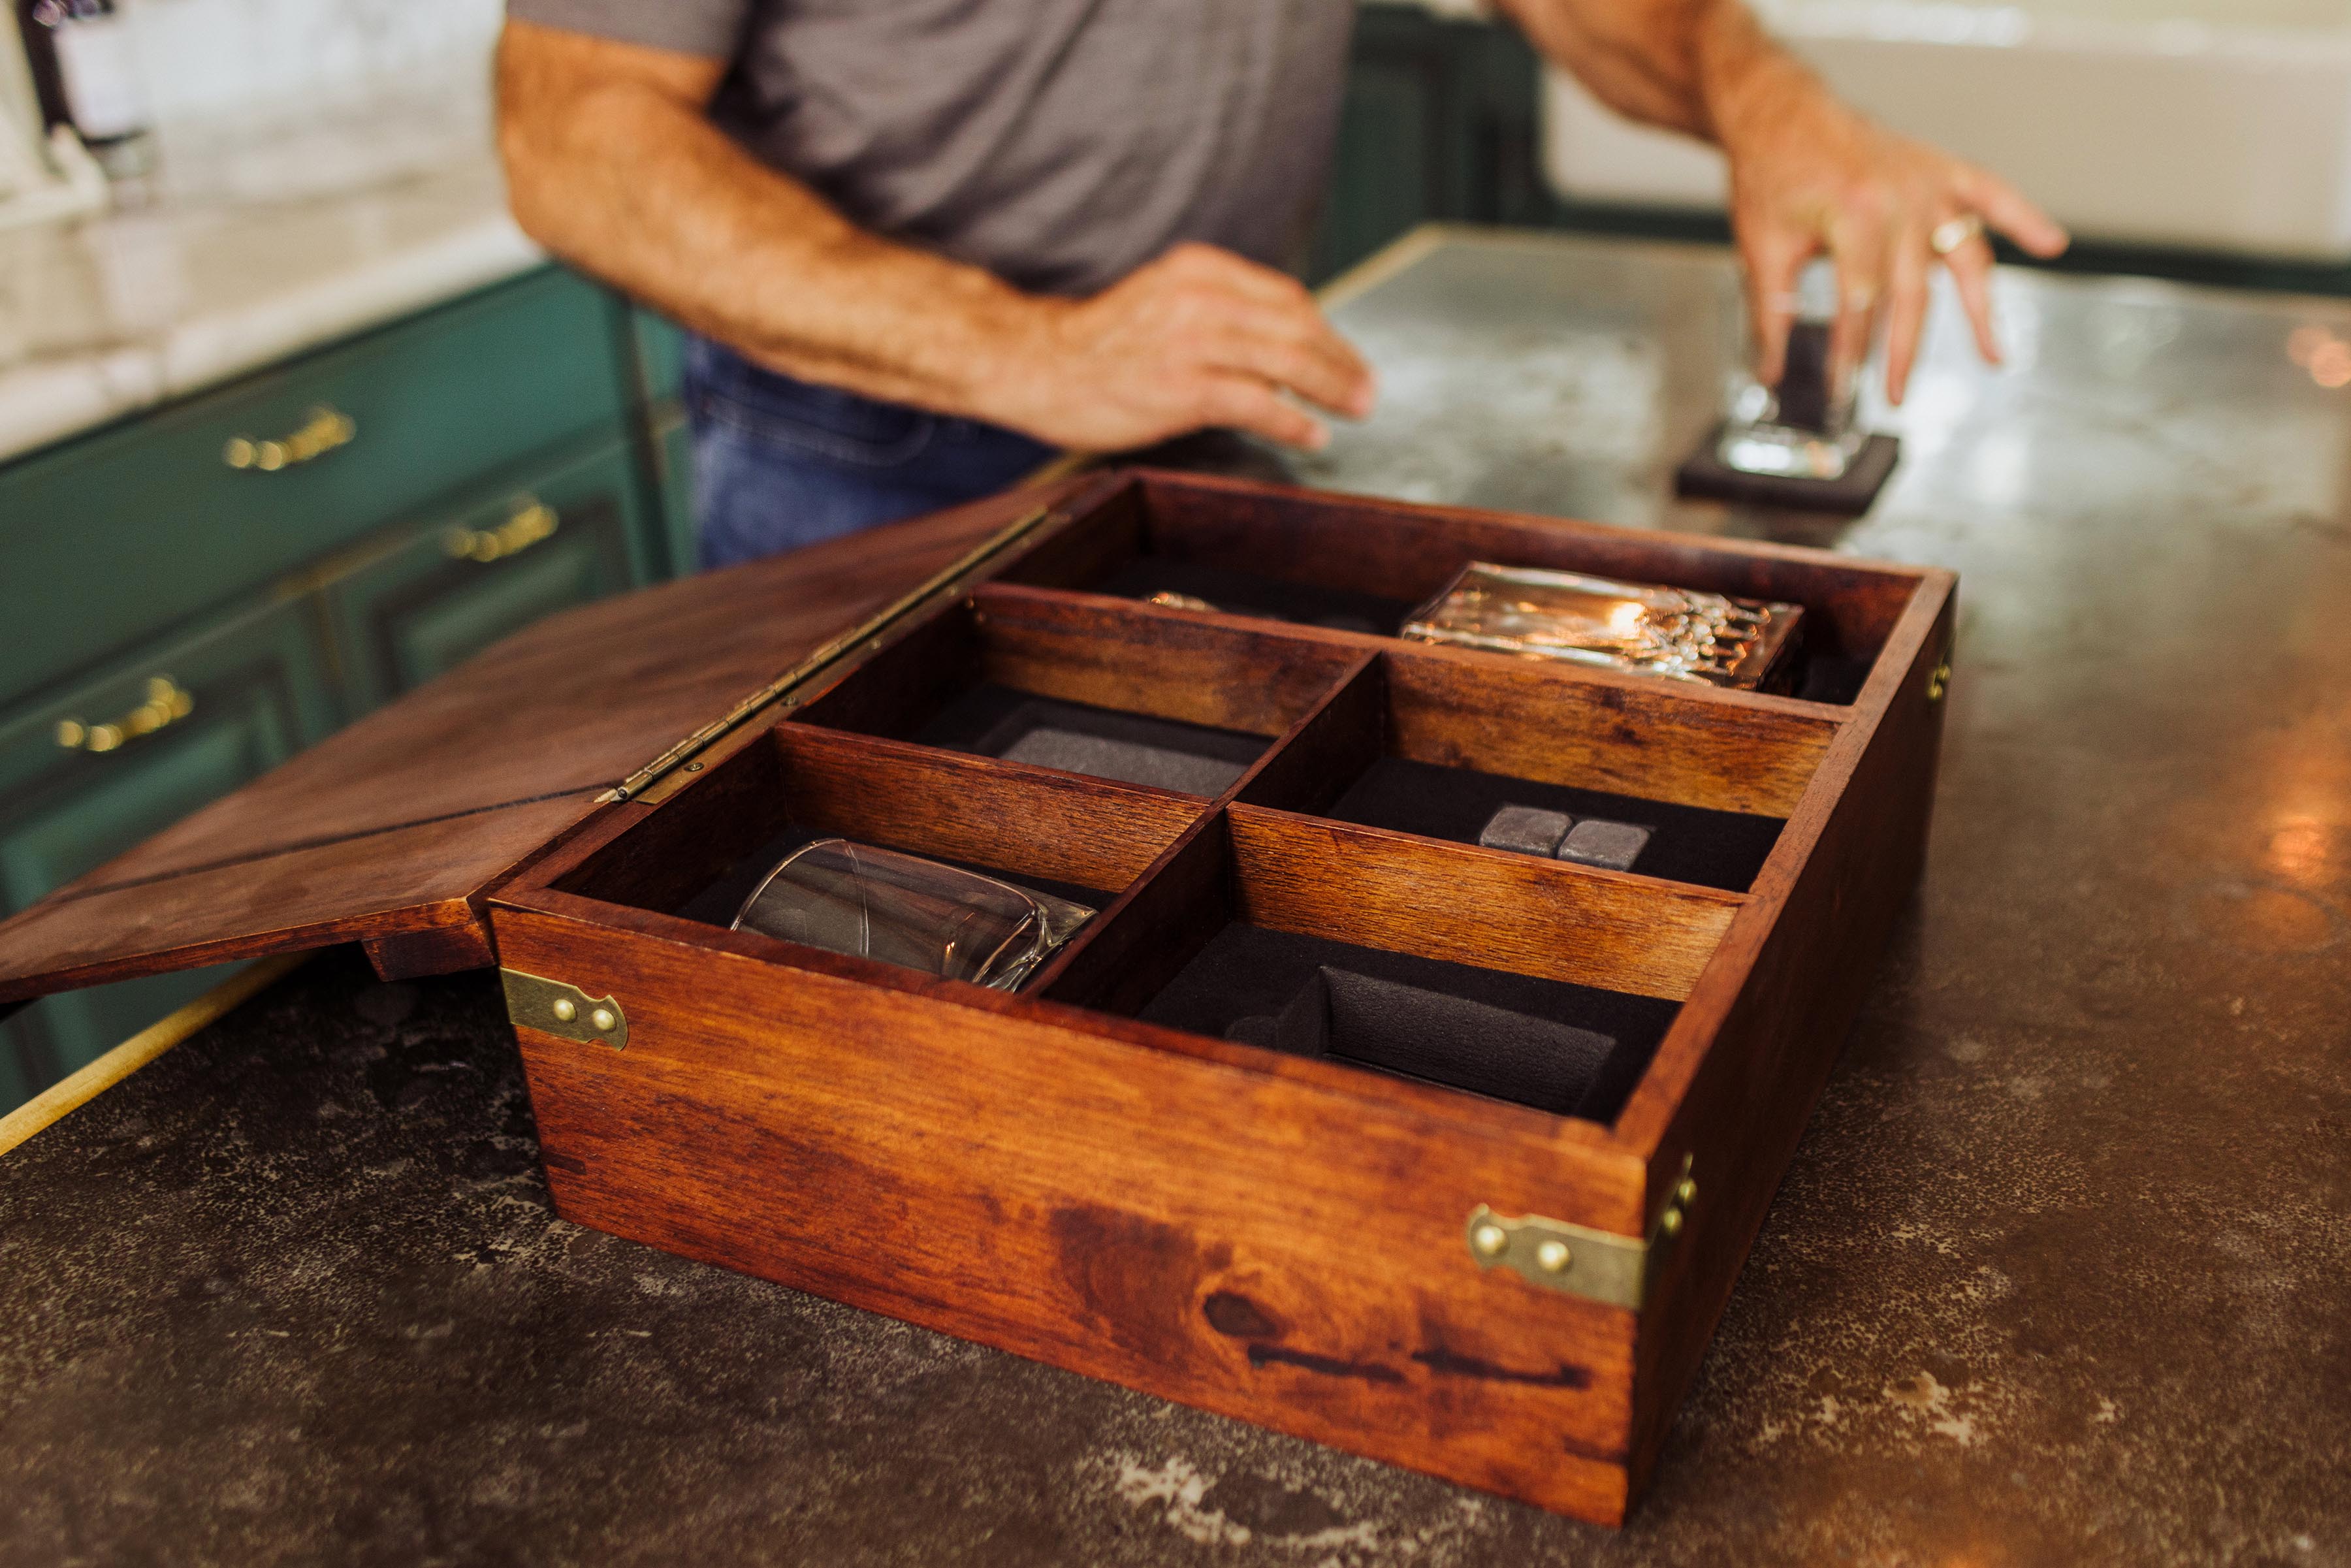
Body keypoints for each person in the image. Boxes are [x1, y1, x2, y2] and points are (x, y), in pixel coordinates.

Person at [496, 1, 2066, 568]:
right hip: (869, 449)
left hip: (1215, 396)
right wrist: (1025, 347)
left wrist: (1754, 83)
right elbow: (571, 131)